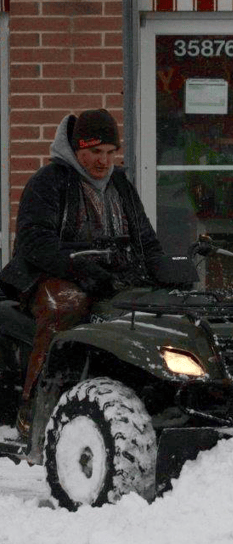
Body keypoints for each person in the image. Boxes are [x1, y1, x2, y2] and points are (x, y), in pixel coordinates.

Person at [0, 109, 164, 436]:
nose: (103, 161)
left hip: (110, 275)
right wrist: (77, 266)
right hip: (47, 275)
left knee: (157, 309)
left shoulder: (120, 184)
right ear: (76, 150)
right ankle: (34, 408)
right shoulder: (49, 182)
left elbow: (145, 239)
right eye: (94, 153)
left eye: (109, 152)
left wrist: (164, 269)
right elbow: (34, 242)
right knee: (66, 307)